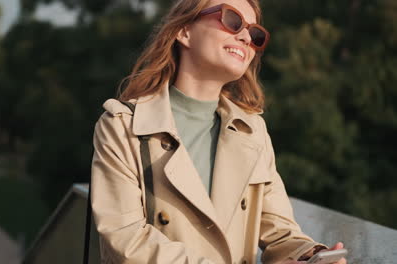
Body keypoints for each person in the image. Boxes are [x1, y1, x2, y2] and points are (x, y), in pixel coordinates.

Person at [90, 0, 348, 263]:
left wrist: (311, 255)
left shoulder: (252, 130)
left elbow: (280, 233)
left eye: (255, 34)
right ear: (184, 31)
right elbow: (126, 240)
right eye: (232, 20)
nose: (247, 37)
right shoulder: (123, 126)